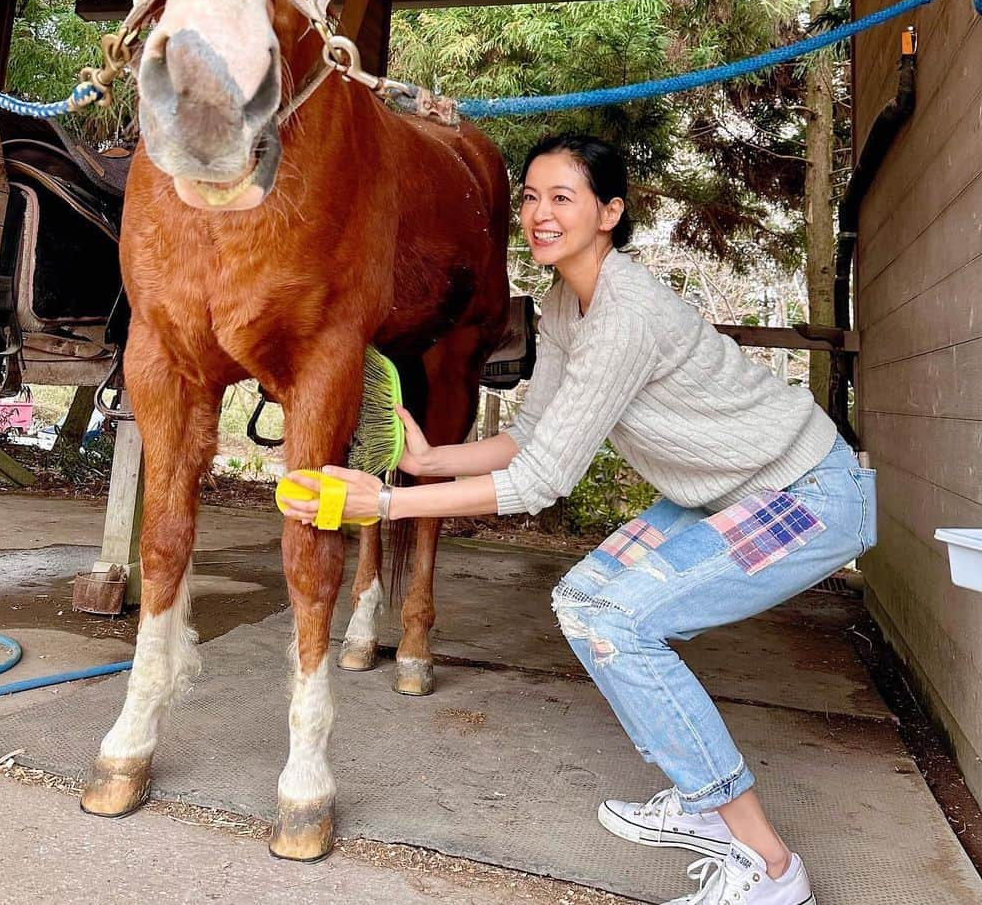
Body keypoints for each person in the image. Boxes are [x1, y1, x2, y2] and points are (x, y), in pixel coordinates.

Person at [282, 132, 876, 905]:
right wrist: (429, 463)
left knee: (615, 617)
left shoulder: (625, 310)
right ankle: (703, 800)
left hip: (805, 493)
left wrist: (387, 502)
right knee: (584, 602)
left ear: (609, 212)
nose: (539, 213)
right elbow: (531, 436)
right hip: (725, 493)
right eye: (529, 197)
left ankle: (769, 867)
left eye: (563, 197)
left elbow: (539, 480)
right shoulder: (565, 304)